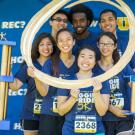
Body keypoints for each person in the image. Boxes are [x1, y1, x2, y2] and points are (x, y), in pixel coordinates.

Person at [28, 28, 78, 135]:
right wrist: (36, 77)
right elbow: (44, 92)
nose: (65, 43)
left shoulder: (81, 61)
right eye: (61, 40)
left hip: (73, 114)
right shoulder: (50, 63)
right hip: (50, 113)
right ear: (57, 44)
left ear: (74, 41)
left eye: (68, 39)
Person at [9, 33, 56, 135]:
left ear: (53, 46)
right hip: (31, 113)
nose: (46, 47)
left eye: (49, 44)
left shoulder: (58, 64)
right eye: (41, 44)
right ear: (37, 47)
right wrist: (8, 69)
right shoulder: (30, 65)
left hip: (52, 114)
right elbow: (15, 86)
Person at [57, 45, 110, 135]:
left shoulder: (102, 81)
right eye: (82, 56)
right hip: (70, 130)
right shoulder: (67, 82)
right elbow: (61, 111)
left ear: (95, 62)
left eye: (90, 57)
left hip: (96, 130)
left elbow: (102, 112)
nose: (85, 60)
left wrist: (96, 92)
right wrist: (73, 98)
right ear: (77, 59)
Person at [95, 32, 134, 135]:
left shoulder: (122, 66)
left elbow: (133, 85)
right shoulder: (93, 68)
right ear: (98, 45)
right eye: (102, 43)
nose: (105, 47)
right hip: (102, 119)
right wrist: (112, 109)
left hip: (124, 118)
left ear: (115, 46)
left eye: (109, 44)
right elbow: (92, 94)